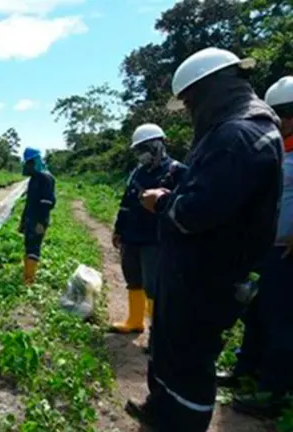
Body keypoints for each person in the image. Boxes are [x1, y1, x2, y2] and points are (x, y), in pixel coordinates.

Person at [127, 47, 283, 431]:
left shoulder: (237, 137)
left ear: (208, 91)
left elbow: (194, 213)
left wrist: (163, 202)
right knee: (168, 346)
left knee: (190, 360)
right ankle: (160, 408)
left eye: (190, 102)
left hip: (206, 277)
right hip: (189, 271)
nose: (191, 112)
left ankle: (180, 423)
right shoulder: (241, 131)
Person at [221, 76, 293, 418]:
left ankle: (273, 390)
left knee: (282, 322)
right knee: (255, 313)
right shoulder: (273, 148)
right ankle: (244, 371)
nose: (283, 120)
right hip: (264, 248)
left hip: (287, 253)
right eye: (278, 113)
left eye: (288, 113)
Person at [111, 123, 187, 334]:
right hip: (132, 235)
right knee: (133, 278)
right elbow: (125, 203)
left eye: (144, 149)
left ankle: (158, 332)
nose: (141, 155)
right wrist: (119, 228)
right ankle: (135, 321)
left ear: (158, 145)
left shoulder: (177, 171)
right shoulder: (137, 173)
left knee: (154, 285)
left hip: (156, 238)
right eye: (138, 150)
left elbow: (186, 205)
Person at [19, 147, 56, 284]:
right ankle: (27, 275)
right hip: (31, 219)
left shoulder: (46, 178)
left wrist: (39, 223)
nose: (26, 166)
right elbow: (29, 203)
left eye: (28, 162)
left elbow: (48, 203)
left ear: (34, 161)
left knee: (34, 248)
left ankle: (29, 280)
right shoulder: (34, 178)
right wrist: (23, 221)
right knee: (29, 246)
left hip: (39, 221)